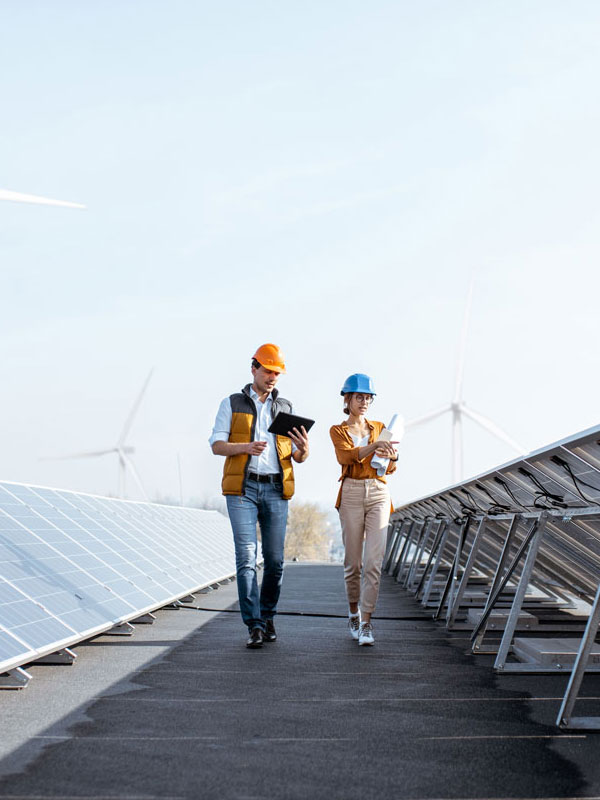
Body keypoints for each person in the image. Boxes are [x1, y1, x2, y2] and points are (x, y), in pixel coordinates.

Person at [209, 343, 310, 648]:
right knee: (247, 558)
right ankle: (253, 624)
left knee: (276, 561)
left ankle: (267, 617)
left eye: (277, 372)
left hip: (277, 488)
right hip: (243, 488)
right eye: (268, 371)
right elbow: (216, 444)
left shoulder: (285, 408)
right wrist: (245, 448)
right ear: (253, 368)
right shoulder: (232, 403)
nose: (272, 377)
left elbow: (296, 455)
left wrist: (304, 450)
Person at [329, 374, 398, 646]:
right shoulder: (338, 430)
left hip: (379, 491)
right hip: (351, 492)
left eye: (368, 397)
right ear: (347, 399)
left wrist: (391, 457)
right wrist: (374, 446)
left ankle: (367, 622)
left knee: (374, 563)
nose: (364, 402)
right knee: (353, 563)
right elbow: (345, 457)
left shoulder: (380, 427)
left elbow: (390, 467)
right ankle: (353, 612)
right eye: (359, 397)